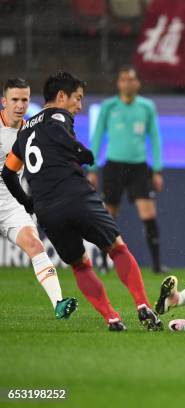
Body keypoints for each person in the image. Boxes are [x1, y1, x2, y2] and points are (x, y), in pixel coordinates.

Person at [1, 71, 162, 332]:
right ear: (61, 96)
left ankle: (111, 317)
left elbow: (8, 173)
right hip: (76, 195)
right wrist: (81, 152)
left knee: (78, 264)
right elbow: (58, 132)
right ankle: (143, 305)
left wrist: (28, 203)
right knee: (117, 248)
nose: (79, 105)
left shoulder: (23, 132)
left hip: (46, 210)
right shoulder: (57, 114)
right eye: (77, 98)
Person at [0, 78, 77, 319]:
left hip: (10, 203)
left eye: (24, 99)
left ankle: (58, 303)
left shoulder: (29, 132)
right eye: (15, 99)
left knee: (35, 244)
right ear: (4, 102)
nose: (20, 105)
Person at [87, 65, 165, 274]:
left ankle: (157, 265)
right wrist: (92, 167)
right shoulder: (108, 106)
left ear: (137, 83)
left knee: (148, 213)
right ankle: (103, 263)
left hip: (139, 167)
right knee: (109, 215)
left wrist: (157, 169)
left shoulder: (147, 107)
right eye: (123, 79)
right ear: (118, 83)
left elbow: (155, 137)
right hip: (113, 166)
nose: (127, 83)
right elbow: (97, 137)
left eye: (131, 79)